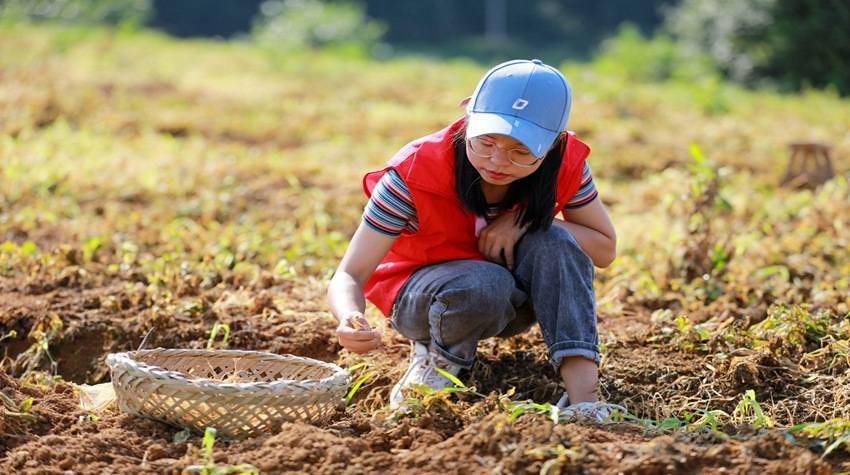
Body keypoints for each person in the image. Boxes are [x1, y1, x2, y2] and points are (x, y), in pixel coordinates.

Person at [326, 59, 621, 421]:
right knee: (484, 283)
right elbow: (350, 273)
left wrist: (526, 220)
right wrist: (349, 315)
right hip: (422, 300)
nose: (497, 161)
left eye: (521, 151)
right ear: (469, 115)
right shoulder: (415, 173)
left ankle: (583, 398)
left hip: (511, 302)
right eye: (485, 142)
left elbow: (604, 248)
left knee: (555, 241)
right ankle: (435, 363)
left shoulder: (564, 164)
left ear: (554, 143)